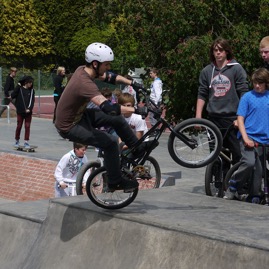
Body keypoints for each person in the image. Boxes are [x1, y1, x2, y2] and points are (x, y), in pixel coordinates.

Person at [55, 42, 150, 192]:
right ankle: (115, 181)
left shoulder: (84, 69)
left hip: (80, 115)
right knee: (111, 142)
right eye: (106, 64)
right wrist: (137, 110)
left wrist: (132, 82)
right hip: (69, 126)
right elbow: (109, 108)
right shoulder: (84, 82)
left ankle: (136, 148)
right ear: (95, 63)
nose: (108, 67)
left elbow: (110, 77)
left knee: (117, 119)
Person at [195, 37, 249, 167]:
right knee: (217, 155)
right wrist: (198, 117)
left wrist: (240, 117)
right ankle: (218, 184)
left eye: (221, 50)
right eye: (215, 50)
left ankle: (238, 184)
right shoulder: (207, 71)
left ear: (226, 52)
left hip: (232, 118)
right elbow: (202, 94)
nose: (218, 53)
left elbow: (244, 93)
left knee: (237, 154)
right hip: (214, 118)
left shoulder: (236, 69)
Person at [224, 68, 269, 203]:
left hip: (265, 140)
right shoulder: (247, 97)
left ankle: (255, 194)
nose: (257, 86)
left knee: (259, 168)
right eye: (255, 83)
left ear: (266, 83)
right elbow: (240, 119)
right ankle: (233, 185)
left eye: (260, 83)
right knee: (249, 163)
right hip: (249, 137)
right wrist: (245, 138)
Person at [11, 76, 35, 149]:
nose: (30, 84)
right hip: (20, 112)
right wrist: (18, 86)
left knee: (27, 126)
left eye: (31, 83)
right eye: (29, 82)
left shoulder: (31, 91)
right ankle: (17, 140)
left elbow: (32, 101)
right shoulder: (20, 89)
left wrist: (29, 109)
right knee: (19, 126)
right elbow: (12, 95)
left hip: (28, 113)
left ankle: (26, 142)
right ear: (26, 82)